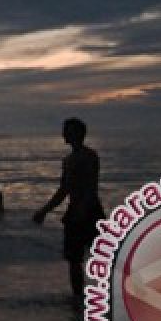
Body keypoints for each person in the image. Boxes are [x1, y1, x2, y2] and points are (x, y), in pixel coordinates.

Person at [32, 117, 105, 302]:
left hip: (91, 211)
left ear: (79, 133)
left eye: (69, 130)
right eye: (65, 130)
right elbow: (63, 190)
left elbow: (91, 186)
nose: (64, 133)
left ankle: (110, 297)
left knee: (103, 257)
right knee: (74, 260)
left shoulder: (89, 156)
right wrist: (44, 210)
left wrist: (83, 208)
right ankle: (78, 299)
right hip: (73, 212)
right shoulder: (68, 160)